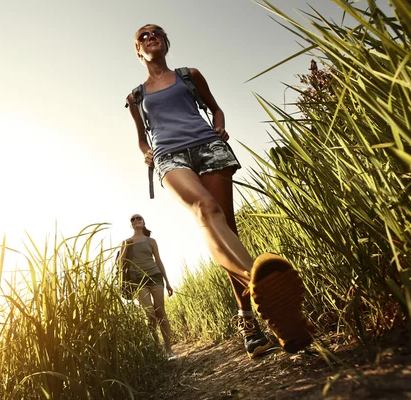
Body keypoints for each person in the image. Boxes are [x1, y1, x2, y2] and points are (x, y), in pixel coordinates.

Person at [125, 24, 314, 358]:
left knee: (227, 226)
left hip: (209, 147)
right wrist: (145, 151)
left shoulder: (189, 75)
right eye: (143, 36)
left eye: (156, 33)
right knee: (206, 208)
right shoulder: (136, 97)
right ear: (138, 51)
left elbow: (215, 108)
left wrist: (220, 125)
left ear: (166, 43)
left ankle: (251, 327)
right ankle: (260, 283)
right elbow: (142, 135)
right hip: (170, 157)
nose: (150, 37)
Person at [118, 214, 176, 361]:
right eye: (133, 219)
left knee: (160, 312)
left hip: (155, 276)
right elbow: (120, 263)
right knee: (150, 314)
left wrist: (167, 282)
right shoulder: (126, 241)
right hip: (138, 280)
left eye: (139, 218)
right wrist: (126, 247)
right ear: (130, 225)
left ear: (143, 223)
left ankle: (168, 351)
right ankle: (157, 349)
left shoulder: (151, 241)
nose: (136, 220)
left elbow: (158, 260)